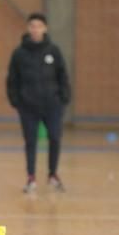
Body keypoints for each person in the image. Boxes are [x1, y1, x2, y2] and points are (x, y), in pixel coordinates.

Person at [6, 12, 71, 193]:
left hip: (52, 105)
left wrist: (64, 97)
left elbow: (62, 75)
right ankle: (31, 177)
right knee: (30, 141)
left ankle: (52, 175)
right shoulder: (19, 54)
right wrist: (16, 101)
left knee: (55, 138)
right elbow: (12, 79)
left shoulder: (53, 51)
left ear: (45, 28)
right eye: (32, 26)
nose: (35, 29)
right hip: (28, 106)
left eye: (39, 26)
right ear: (28, 28)